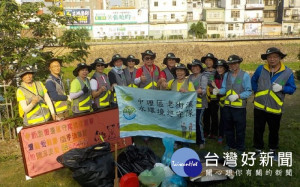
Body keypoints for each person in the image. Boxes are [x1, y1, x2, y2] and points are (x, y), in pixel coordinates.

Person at [251, 47, 296, 160]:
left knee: (274, 131)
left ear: (280, 58)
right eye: (269, 57)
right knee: (258, 129)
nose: (272, 59)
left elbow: (292, 88)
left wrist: (282, 88)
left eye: (275, 57)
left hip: (275, 108)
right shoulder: (260, 69)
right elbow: (253, 80)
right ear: (266, 59)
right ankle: (258, 149)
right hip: (259, 106)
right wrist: (257, 91)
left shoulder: (287, 72)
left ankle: (272, 150)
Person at [215, 55, 252, 154]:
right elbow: (224, 89)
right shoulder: (227, 75)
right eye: (231, 64)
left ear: (239, 63)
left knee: (240, 128)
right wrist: (219, 90)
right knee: (228, 127)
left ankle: (240, 147)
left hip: (239, 107)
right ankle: (230, 144)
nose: (233, 65)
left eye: (235, 63)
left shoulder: (245, 75)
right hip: (227, 106)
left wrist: (238, 96)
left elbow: (249, 91)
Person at [187, 59, 208, 149]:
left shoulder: (203, 77)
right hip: (191, 104)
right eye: (193, 67)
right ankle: (192, 139)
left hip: (200, 104)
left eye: (196, 66)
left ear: (200, 68)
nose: (194, 68)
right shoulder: (190, 77)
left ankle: (201, 141)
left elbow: (203, 91)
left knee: (197, 122)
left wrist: (198, 91)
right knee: (190, 122)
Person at [211, 59, 229, 144]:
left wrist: (217, 89)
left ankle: (225, 135)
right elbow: (211, 81)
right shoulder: (215, 75)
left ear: (225, 68)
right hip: (219, 99)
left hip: (228, 100)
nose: (219, 69)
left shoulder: (228, 75)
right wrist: (212, 85)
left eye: (221, 67)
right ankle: (220, 135)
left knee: (226, 118)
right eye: (217, 68)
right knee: (220, 117)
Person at [201, 53, 219, 139]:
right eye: (206, 60)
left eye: (210, 60)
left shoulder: (217, 71)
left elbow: (219, 83)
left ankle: (214, 132)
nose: (208, 62)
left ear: (213, 61)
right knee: (206, 115)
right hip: (205, 97)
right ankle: (206, 131)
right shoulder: (202, 71)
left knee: (214, 115)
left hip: (214, 97)